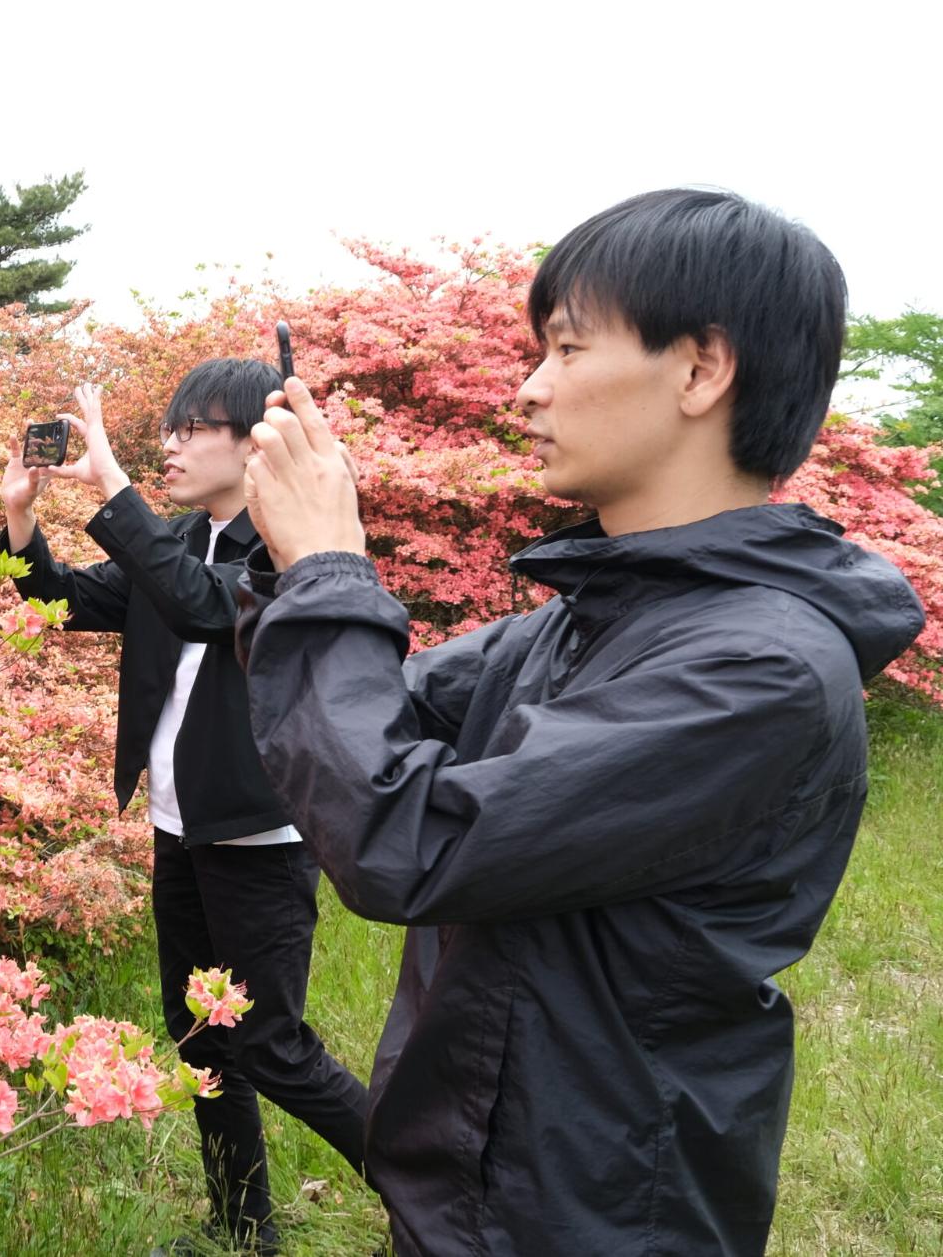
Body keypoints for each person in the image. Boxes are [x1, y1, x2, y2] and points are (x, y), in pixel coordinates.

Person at [233, 188, 924, 1255]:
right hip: (470, 1184)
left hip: (594, 1210)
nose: (526, 389)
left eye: (563, 349)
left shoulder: (755, 668)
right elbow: (345, 733)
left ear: (699, 367)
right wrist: (281, 559)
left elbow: (400, 839)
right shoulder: (586, 624)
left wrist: (327, 568)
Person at [0, 365, 369, 1255]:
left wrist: (114, 486)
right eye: (168, 430)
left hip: (259, 840)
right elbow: (63, 599)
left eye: (191, 429)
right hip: (182, 828)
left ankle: (447, 1196)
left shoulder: (285, 551)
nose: (169, 444)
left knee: (272, 1045)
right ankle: (244, 1233)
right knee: (204, 1038)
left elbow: (206, 611)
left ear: (253, 445)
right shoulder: (180, 542)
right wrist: (21, 518)